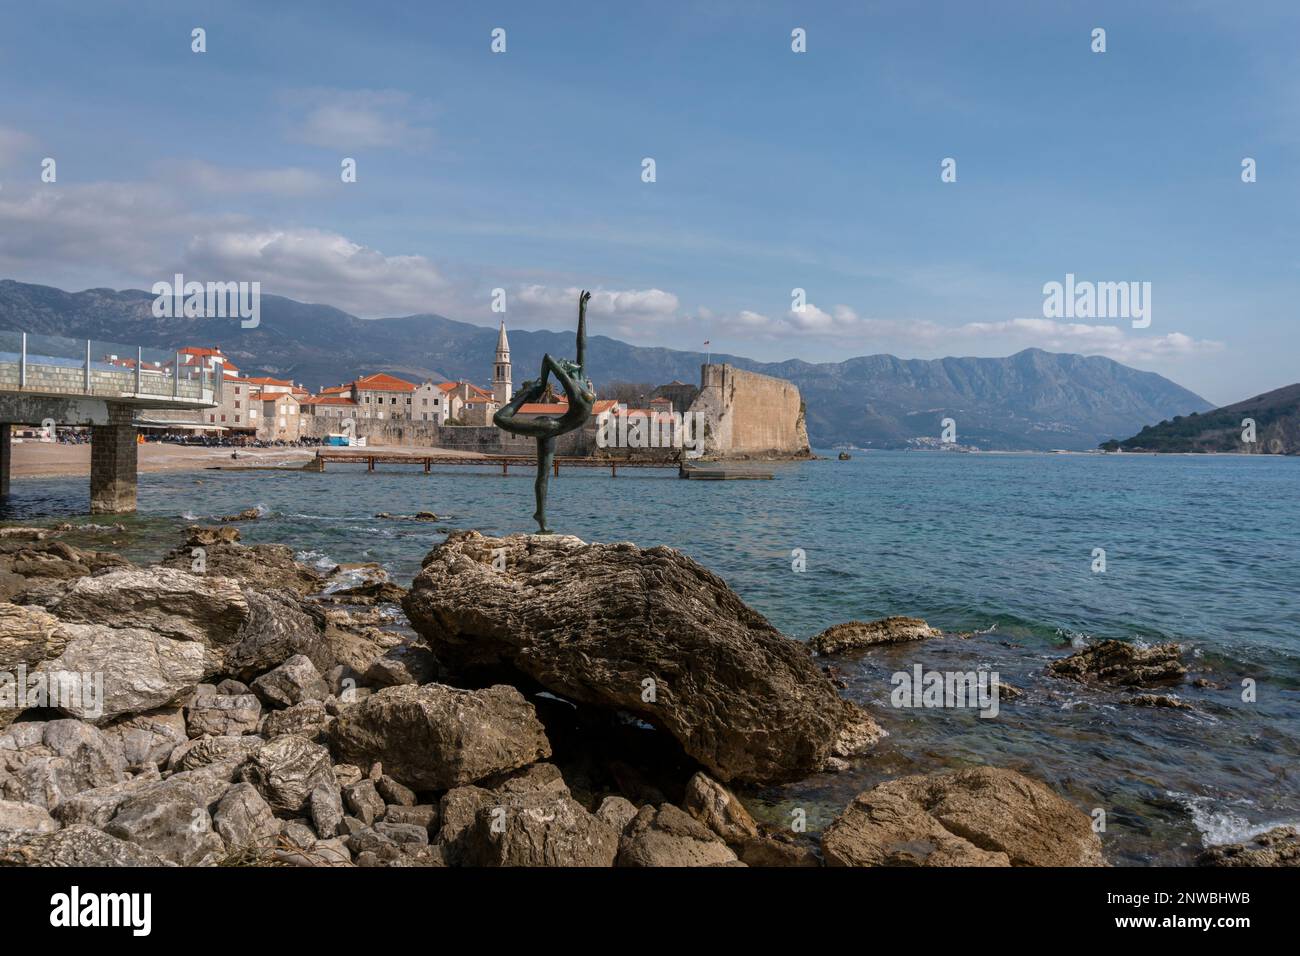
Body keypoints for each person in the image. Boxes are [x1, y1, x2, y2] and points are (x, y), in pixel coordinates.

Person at [493, 290, 594, 533]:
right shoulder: (572, 386)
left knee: (544, 476)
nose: (567, 361)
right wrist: (539, 386)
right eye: (566, 363)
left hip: (555, 429)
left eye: (568, 361)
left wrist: (582, 312)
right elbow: (548, 358)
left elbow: (582, 343)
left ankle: (541, 516)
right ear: (566, 372)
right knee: (499, 418)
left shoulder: (579, 375)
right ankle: (527, 395)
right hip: (548, 426)